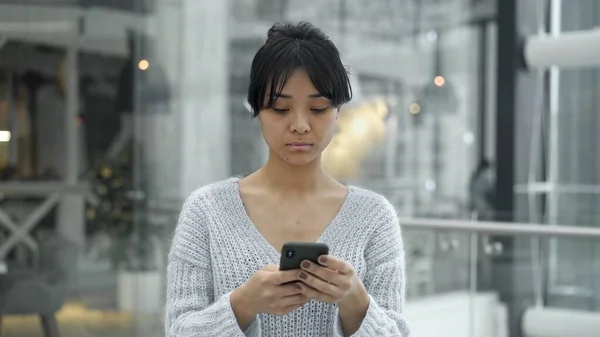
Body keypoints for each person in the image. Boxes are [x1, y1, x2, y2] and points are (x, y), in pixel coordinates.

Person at [165, 22, 409, 337]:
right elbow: (178, 330)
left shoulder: (374, 218)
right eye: (280, 109)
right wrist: (242, 305)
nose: (299, 125)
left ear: (337, 112)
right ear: (256, 110)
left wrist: (355, 302)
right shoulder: (206, 212)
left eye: (318, 108)